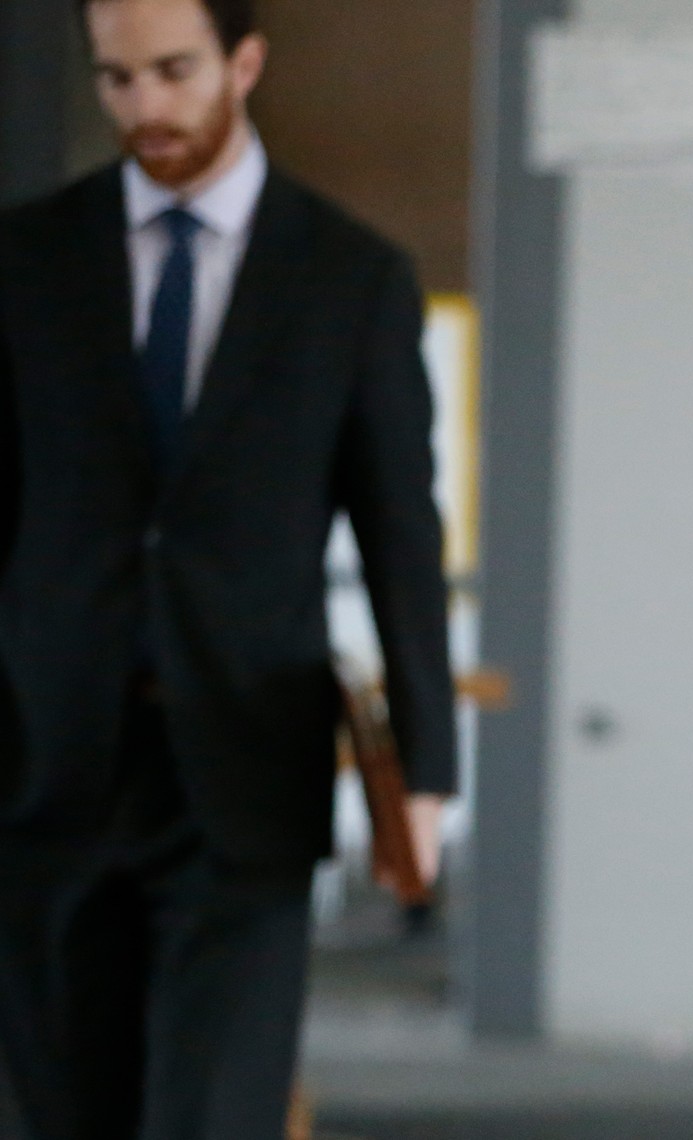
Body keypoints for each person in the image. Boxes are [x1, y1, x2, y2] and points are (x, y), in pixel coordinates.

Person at [0, 0, 456, 1135]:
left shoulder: (353, 278)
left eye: (172, 71)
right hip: (45, 765)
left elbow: (401, 535)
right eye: (116, 80)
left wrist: (428, 775)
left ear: (243, 62)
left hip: (244, 770)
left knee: (215, 1117)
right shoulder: (25, 260)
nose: (144, 107)